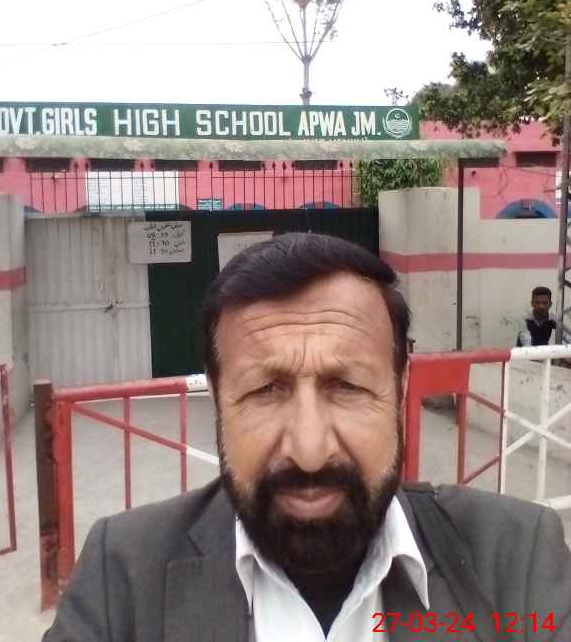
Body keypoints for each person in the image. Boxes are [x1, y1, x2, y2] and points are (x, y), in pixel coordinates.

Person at [44, 233, 571, 642]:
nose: (311, 450)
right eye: (265, 390)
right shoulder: (122, 575)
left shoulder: (516, 559)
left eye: (348, 386)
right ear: (218, 397)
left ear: (400, 388)